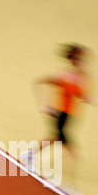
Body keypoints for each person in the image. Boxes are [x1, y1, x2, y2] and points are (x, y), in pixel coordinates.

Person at [20, 43, 93, 174]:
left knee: (54, 138)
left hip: (69, 115)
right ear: (72, 60)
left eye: (81, 60)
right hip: (59, 113)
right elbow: (38, 82)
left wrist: (86, 97)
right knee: (69, 148)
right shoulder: (62, 75)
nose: (81, 62)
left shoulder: (79, 78)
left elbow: (79, 94)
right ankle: (68, 181)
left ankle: (29, 155)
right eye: (78, 59)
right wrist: (43, 104)